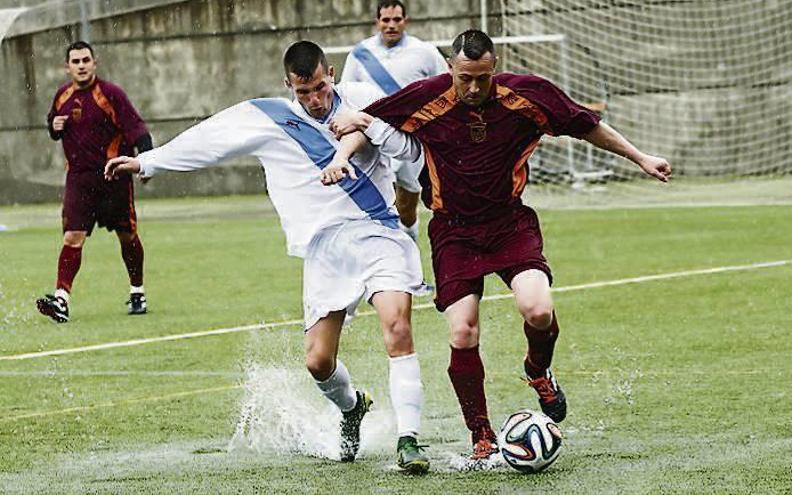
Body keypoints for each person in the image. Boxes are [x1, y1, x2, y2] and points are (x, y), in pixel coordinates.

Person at [325, 29, 672, 461]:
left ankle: (538, 370)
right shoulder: (426, 96)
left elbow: (588, 125)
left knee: (538, 309)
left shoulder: (527, 94)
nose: (473, 88)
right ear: (450, 67)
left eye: (482, 78)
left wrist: (641, 158)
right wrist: (342, 156)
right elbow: (369, 123)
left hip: (509, 222)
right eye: (464, 78)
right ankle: (481, 434)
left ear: (495, 68)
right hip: (453, 230)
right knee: (462, 330)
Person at [104, 41, 431, 474]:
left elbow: (411, 147)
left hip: (379, 234)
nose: (315, 100)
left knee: (396, 323)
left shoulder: (366, 99)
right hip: (324, 251)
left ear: (330, 73)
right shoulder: (268, 117)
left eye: (320, 88)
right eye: (304, 92)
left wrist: (373, 133)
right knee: (318, 362)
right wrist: (147, 162)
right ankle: (353, 407)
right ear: (288, 86)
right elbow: (208, 140)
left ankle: (409, 440)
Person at [36, 41, 154, 323]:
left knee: (127, 236)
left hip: (113, 178)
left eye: (85, 60)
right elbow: (54, 124)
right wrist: (53, 126)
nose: (81, 65)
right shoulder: (62, 96)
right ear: (67, 67)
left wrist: (148, 161)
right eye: (75, 61)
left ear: (94, 63)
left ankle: (137, 290)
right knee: (72, 238)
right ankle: (61, 300)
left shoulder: (111, 94)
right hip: (79, 180)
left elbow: (137, 129)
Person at [340, 0, 448, 241]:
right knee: (380, 206)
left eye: (396, 20)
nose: (391, 25)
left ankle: (409, 242)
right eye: (386, 20)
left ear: (405, 21)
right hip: (372, 139)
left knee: (407, 209)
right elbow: (346, 96)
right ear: (377, 21)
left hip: (411, 139)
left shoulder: (425, 52)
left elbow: (446, 89)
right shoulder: (359, 54)